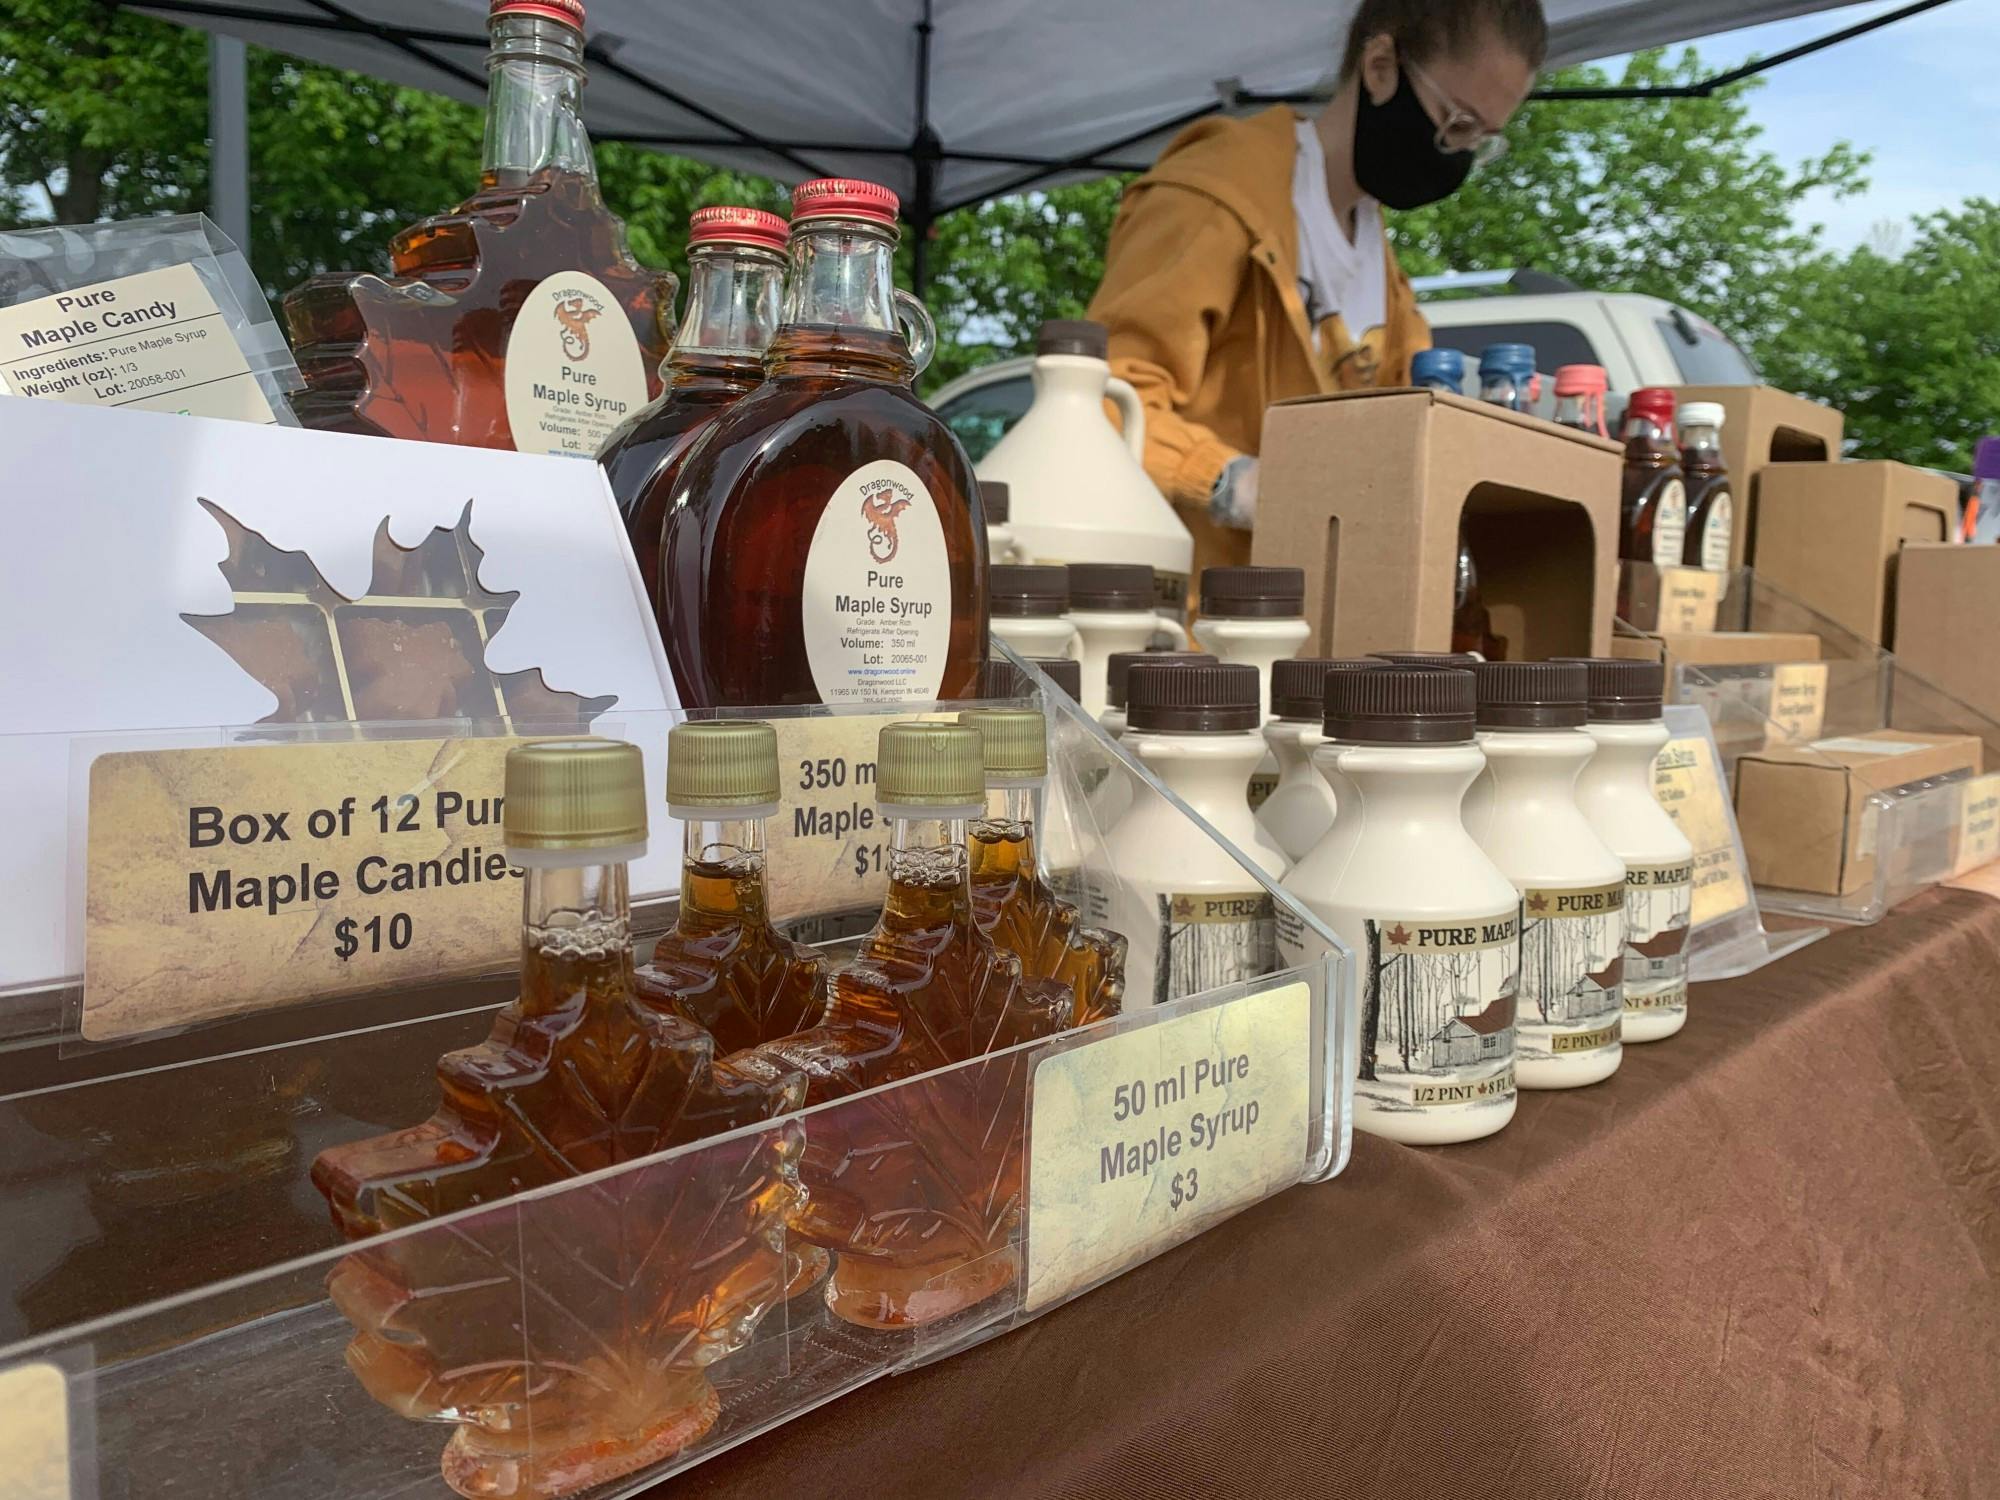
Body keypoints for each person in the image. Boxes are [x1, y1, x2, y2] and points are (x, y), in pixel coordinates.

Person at [1087, 0, 1547, 584]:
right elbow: (1103, 399)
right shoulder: (1215, 196)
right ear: (1380, 66)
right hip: (1192, 624)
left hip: (1314, 620)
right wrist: (1230, 481)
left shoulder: (1380, 263)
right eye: (1456, 123)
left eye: (1482, 140)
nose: (1455, 156)